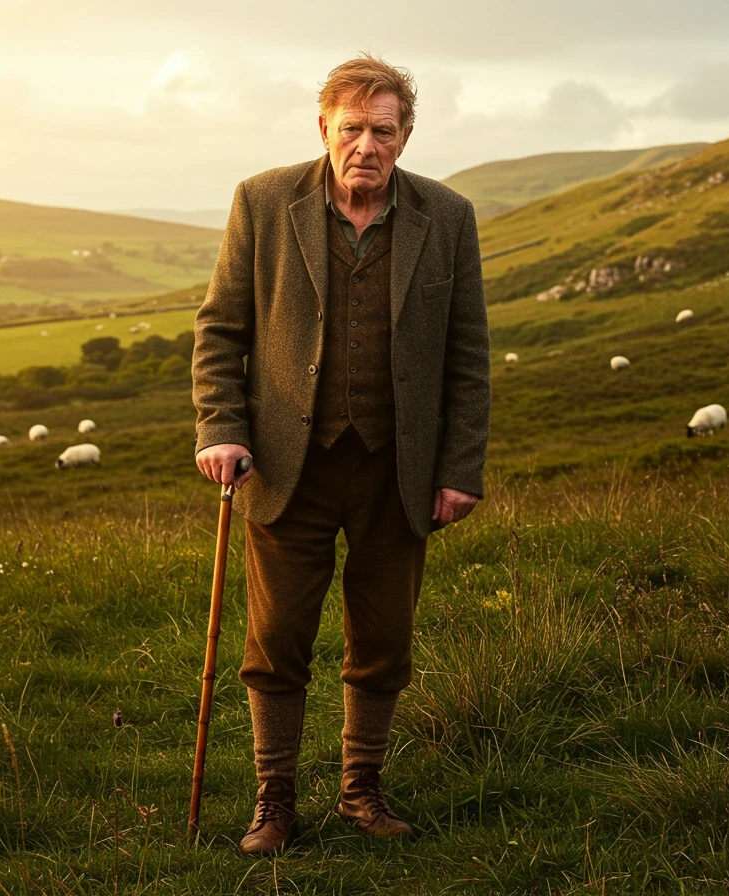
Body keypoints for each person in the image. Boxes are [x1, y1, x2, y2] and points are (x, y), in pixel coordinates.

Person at [192, 53, 491, 855]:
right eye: (352, 128)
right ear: (323, 127)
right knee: (277, 641)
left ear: (406, 137)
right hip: (286, 467)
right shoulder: (262, 202)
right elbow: (220, 329)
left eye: (383, 131)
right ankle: (275, 801)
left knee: (384, 639)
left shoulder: (447, 216)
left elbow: (468, 354)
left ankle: (362, 792)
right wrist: (221, 427)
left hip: (400, 470)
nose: (367, 145)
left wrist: (460, 470)